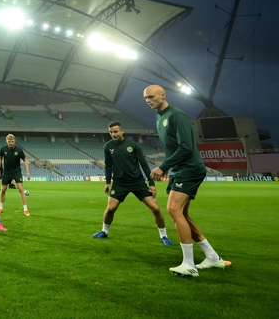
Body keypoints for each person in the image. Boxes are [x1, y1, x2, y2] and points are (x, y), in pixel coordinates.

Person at [144, 85, 224, 277]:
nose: (148, 100)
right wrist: (170, 167)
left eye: (152, 97)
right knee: (183, 215)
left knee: (173, 209)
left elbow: (186, 147)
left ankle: (189, 264)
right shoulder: (159, 117)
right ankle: (212, 257)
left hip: (190, 169)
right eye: (146, 98)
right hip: (179, 170)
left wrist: (163, 166)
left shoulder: (176, 115)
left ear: (163, 95)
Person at [92, 122, 172, 246]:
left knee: (155, 208)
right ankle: (104, 231)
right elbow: (108, 165)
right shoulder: (108, 146)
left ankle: (164, 235)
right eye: (111, 132)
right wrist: (108, 182)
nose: (113, 134)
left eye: (115, 131)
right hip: (119, 183)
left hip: (137, 182)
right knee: (111, 208)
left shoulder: (133, 145)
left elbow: (144, 165)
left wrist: (151, 183)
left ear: (122, 131)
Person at [0, 134, 31, 215]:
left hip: (16, 172)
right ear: (6, 141)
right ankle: (0, 207)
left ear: (14, 141)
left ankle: (25, 209)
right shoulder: (3, 149)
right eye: (9, 141)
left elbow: (25, 160)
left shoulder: (19, 150)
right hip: (7, 172)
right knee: (3, 189)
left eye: (12, 141)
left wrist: (28, 172)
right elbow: (0, 158)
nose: (11, 143)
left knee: (21, 189)